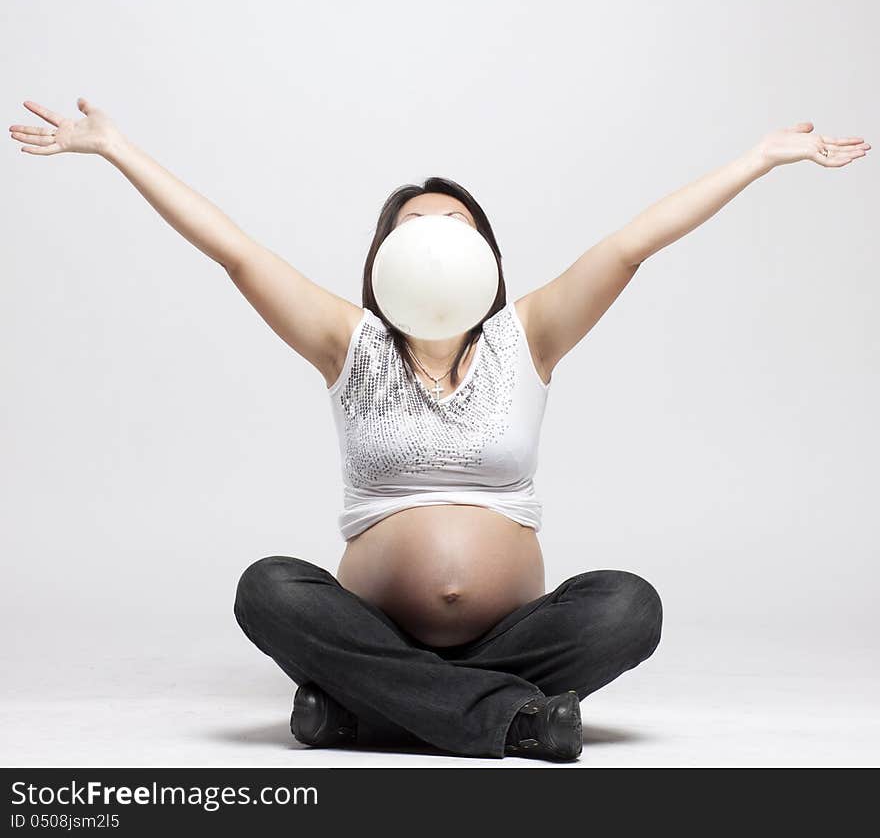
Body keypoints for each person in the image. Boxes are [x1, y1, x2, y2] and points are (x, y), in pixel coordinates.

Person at [9, 98, 870, 760]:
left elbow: (632, 244)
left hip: (513, 633)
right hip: (372, 623)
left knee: (628, 608)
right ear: (384, 259)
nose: (433, 243)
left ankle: (365, 709)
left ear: (488, 255)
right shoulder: (347, 341)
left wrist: (759, 159)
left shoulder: (527, 334)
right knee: (266, 587)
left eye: (453, 228)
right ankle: (512, 720)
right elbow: (233, 250)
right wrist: (115, 148)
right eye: (413, 230)